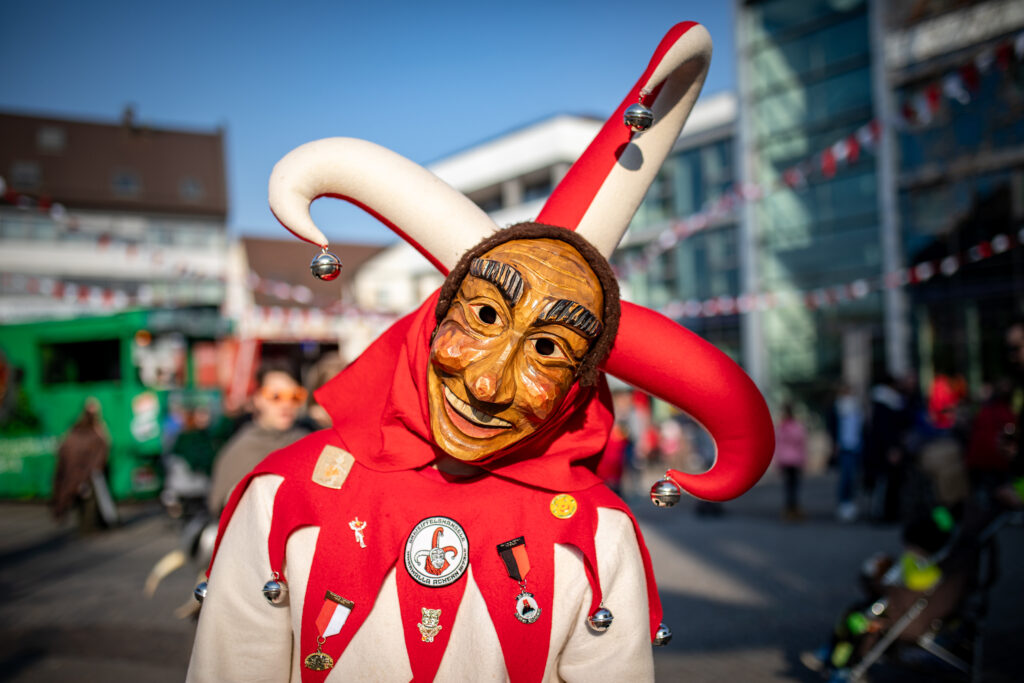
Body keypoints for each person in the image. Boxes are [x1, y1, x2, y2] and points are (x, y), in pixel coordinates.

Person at [188, 22, 774, 682]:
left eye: (549, 348)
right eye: (488, 313)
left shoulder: (596, 536)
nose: (490, 383)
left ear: (581, 385)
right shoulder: (282, 495)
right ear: (431, 319)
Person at [206, 360, 312, 516]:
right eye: (276, 396)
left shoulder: (309, 443)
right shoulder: (243, 448)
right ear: (257, 399)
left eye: (295, 396)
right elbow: (222, 506)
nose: (286, 404)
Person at [52, 398, 117, 531]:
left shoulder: (80, 429)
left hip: (83, 472)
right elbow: (106, 444)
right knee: (88, 501)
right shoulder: (90, 429)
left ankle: (88, 527)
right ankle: (88, 527)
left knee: (86, 500)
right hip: (86, 473)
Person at [827, 384, 864, 522]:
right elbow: (832, 427)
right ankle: (843, 503)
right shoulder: (837, 407)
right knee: (845, 476)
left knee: (853, 476)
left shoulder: (857, 407)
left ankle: (850, 502)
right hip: (844, 446)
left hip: (856, 445)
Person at [774, 403, 808, 521]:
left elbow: (778, 445)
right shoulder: (797, 427)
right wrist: (804, 460)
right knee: (794, 486)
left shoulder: (781, 427)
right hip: (795, 460)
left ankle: (789, 508)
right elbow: (802, 443)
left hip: (785, 460)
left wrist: (777, 461)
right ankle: (793, 508)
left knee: (788, 486)